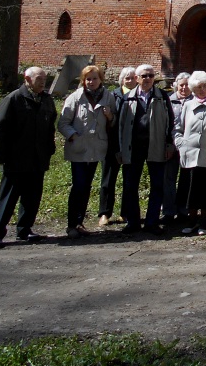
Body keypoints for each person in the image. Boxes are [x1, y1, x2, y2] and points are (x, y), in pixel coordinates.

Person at [0, 67, 57, 249]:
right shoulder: (14, 99)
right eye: (39, 78)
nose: (43, 82)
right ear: (27, 79)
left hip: (38, 158)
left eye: (44, 78)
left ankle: (24, 229)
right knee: (8, 197)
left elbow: (50, 126)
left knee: (32, 197)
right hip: (16, 158)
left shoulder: (46, 100)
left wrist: (49, 149)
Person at [118, 64, 176, 234]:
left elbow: (170, 122)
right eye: (144, 76)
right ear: (137, 78)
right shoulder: (128, 98)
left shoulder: (162, 96)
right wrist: (119, 149)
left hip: (156, 146)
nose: (148, 79)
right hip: (133, 147)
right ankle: (133, 222)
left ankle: (152, 222)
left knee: (157, 185)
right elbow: (120, 125)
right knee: (130, 185)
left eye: (151, 75)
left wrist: (169, 144)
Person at [58, 64, 115, 239]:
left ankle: (79, 222)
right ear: (83, 81)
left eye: (94, 78)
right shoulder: (75, 97)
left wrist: (110, 116)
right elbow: (63, 123)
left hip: (97, 149)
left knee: (87, 186)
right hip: (79, 149)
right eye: (88, 79)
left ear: (101, 79)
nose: (91, 82)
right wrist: (74, 136)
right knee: (79, 186)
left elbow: (114, 122)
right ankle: (71, 225)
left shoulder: (108, 97)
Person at [174, 71, 206, 235]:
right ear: (193, 88)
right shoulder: (188, 105)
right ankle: (191, 221)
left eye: (205, 86)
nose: (202, 89)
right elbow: (178, 127)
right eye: (198, 87)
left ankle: (204, 223)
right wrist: (180, 144)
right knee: (190, 190)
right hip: (189, 155)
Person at [98, 66, 136, 227]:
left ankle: (125, 213)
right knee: (108, 180)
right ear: (121, 80)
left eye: (133, 78)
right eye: (127, 78)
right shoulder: (113, 95)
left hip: (131, 143)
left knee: (129, 180)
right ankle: (104, 213)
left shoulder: (139, 96)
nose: (130, 80)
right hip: (112, 143)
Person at [165, 71, 193, 225]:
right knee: (168, 178)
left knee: (186, 179)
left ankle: (183, 210)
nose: (184, 88)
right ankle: (169, 211)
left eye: (187, 85)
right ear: (176, 85)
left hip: (188, 147)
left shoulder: (195, 101)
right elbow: (164, 124)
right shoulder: (169, 101)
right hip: (171, 146)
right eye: (181, 85)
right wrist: (168, 144)